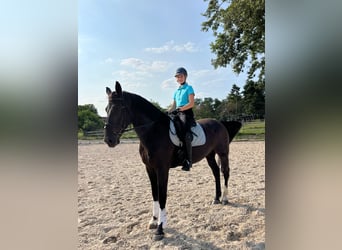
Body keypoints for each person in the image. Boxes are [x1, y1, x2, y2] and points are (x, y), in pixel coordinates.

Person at [169, 67, 196, 171]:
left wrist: (180, 109)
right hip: (177, 113)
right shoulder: (176, 91)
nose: (179, 78)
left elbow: (191, 103)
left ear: (185, 77)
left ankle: (188, 161)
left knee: (185, 133)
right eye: (178, 77)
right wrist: (167, 111)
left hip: (186, 113)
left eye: (181, 76)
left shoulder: (189, 88)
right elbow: (173, 105)